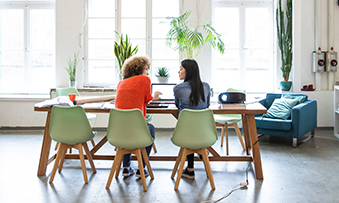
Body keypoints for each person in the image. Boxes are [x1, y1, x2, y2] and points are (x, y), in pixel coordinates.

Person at [115, 55, 161, 178]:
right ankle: (142, 168)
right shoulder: (144, 80)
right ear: (139, 69)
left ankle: (126, 167)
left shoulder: (121, 83)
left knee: (127, 129)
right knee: (150, 129)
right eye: (146, 69)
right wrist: (155, 97)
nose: (147, 72)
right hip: (136, 130)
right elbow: (147, 99)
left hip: (118, 131)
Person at [173, 59, 211, 179]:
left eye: (181, 69)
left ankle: (190, 169)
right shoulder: (206, 87)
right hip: (205, 133)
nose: (178, 71)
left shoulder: (178, 89)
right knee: (193, 127)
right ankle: (199, 153)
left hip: (184, 134)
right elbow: (207, 105)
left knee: (188, 128)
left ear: (188, 71)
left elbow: (178, 105)